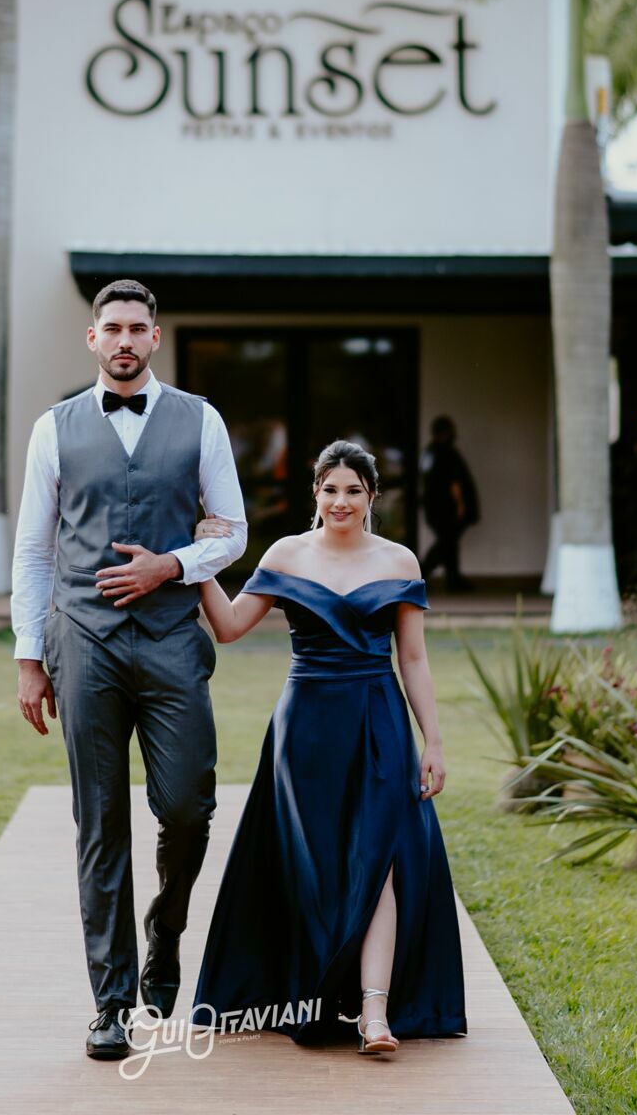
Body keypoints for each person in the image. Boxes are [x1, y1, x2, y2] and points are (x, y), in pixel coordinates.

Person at [11, 279, 247, 1061]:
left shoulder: (200, 419)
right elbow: (34, 551)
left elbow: (233, 531)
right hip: (83, 640)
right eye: (110, 327)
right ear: (91, 338)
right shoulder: (54, 428)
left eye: (136, 328)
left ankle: (166, 930)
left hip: (174, 637)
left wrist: (170, 565)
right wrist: (28, 658)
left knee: (187, 809)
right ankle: (110, 1001)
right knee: (99, 822)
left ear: (154, 338)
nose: (122, 340)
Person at [192, 440, 466, 1053]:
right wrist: (201, 562)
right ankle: (314, 994)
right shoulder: (287, 553)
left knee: (380, 860)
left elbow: (414, 658)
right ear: (315, 492)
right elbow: (231, 627)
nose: (341, 501)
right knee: (313, 863)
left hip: (379, 721)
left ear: (372, 497)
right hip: (306, 730)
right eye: (330, 489)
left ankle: (375, 1015)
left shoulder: (398, 561)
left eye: (353, 490)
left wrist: (434, 742)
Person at [419, 417, 478, 593]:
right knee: (446, 544)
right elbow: (454, 481)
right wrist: (461, 504)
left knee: (449, 544)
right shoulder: (446, 452)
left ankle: (453, 579)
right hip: (446, 507)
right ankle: (419, 574)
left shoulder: (429, 452)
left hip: (432, 505)